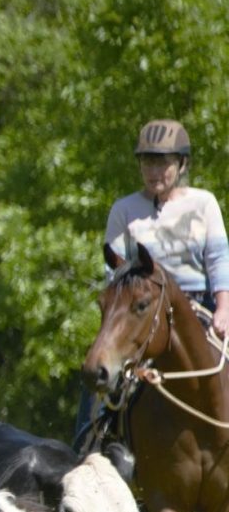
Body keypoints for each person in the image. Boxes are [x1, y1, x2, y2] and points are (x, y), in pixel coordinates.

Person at [76, 119, 229, 446]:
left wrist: (223, 309)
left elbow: (218, 259)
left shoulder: (203, 204)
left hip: (199, 307)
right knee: (100, 369)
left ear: (182, 163)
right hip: (143, 312)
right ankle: (86, 445)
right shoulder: (124, 210)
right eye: (147, 161)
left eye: (163, 162)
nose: (154, 170)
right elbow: (114, 272)